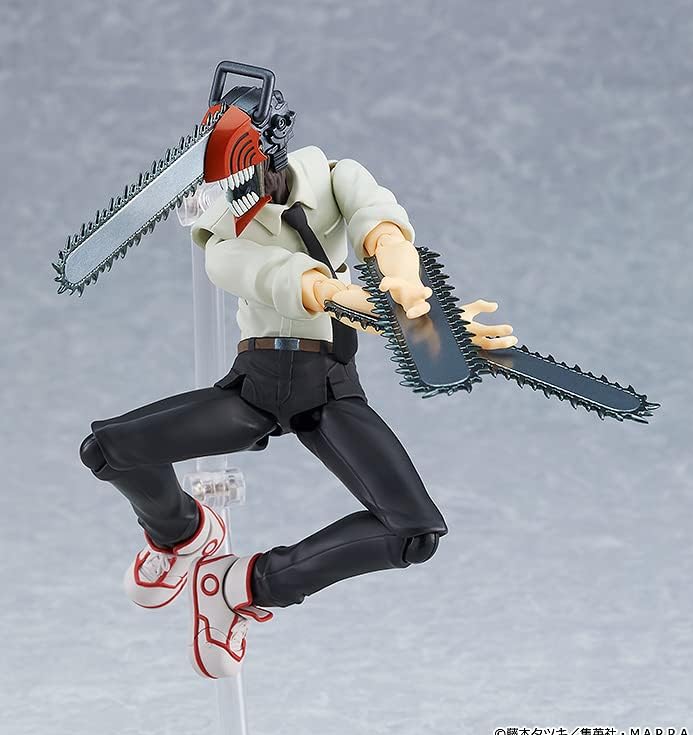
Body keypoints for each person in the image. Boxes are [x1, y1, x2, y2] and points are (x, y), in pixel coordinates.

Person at [79, 75, 516, 679]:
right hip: (256, 389)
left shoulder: (335, 177)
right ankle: (181, 534)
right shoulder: (223, 239)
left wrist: (409, 290)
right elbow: (296, 282)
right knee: (106, 450)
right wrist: (376, 308)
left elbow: (380, 225)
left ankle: (242, 586)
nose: (235, 196)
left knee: (414, 531)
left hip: (329, 388)